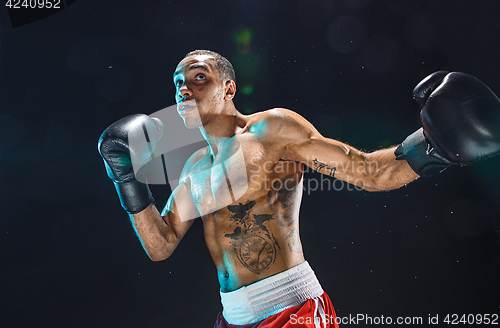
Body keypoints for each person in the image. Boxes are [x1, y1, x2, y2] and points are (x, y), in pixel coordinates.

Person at [98, 50, 500, 327]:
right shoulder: (192, 167)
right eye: (177, 84)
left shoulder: (271, 130)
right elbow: (160, 245)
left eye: (199, 78)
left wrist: (433, 145)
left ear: (228, 87)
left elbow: (368, 172)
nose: (184, 89)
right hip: (232, 317)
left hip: (293, 310)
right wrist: (126, 180)